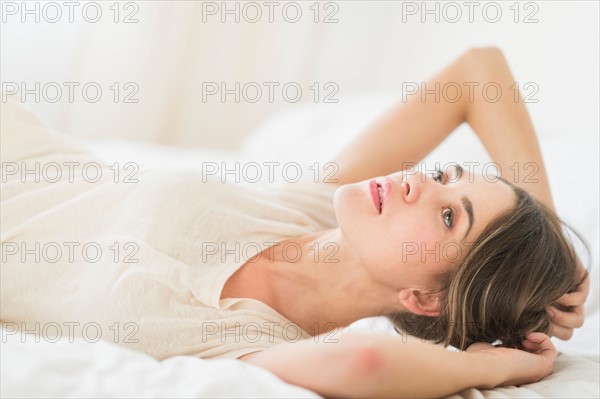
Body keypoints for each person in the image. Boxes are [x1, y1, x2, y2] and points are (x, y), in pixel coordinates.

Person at [0, 47, 590, 398]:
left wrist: (493, 363)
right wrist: (548, 244)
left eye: (446, 215)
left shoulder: (257, 344)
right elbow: (477, 72)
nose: (419, 179)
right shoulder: (313, 205)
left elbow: (364, 362)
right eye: (445, 175)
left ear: (424, 299)